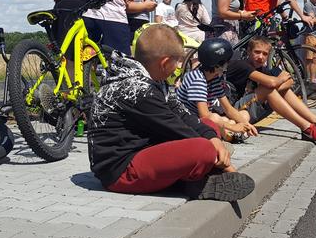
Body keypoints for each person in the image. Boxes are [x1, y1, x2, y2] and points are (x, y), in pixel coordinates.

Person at [88, 24, 255, 201]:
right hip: (120, 171)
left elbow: (183, 114)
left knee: (208, 126)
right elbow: (178, 129)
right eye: (178, 61)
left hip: (145, 148)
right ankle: (194, 180)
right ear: (165, 63)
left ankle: (195, 176)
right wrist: (228, 168)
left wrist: (213, 138)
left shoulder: (154, 80)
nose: (178, 67)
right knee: (203, 149)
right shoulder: (139, 89)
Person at [226, 36, 316, 142]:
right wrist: (276, 82)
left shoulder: (263, 69)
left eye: (264, 54)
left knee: (276, 89)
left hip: (247, 110)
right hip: (232, 109)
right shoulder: (241, 65)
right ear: (248, 51)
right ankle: (307, 128)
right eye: (257, 52)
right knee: (269, 88)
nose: (260, 57)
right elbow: (272, 82)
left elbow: (289, 81)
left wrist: (276, 84)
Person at [176, 38, 258, 141]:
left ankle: (231, 133)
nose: (228, 64)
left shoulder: (213, 78)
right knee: (215, 118)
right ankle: (231, 135)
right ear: (218, 63)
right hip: (190, 121)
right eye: (227, 61)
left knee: (244, 115)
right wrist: (232, 126)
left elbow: (228, 108)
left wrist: (247, 125)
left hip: (204, 119)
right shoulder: (197, 80)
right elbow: (204, 115)